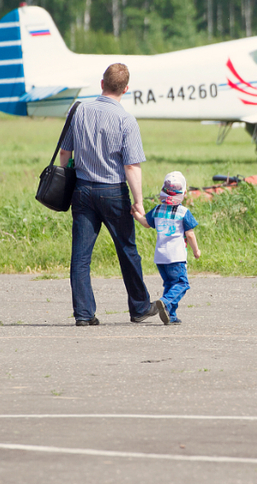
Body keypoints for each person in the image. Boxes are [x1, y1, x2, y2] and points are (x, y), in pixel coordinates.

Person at [59, 63, 167, 325]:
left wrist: (68, 183)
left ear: (101, 83)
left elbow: (65, 153)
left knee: (81, 256)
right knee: (127, 250)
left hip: (82, 189)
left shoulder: (80, 111)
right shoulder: (126, 120)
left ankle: (84, 314)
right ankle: (140, 307)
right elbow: (131, 165)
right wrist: (138, 201)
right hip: (113, 192)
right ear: (126, 89)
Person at [132, 171, 201, 324]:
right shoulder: (183, 212)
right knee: (182, 284)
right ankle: (164, 301)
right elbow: (189, 234)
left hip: (160, 257)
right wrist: (196, 251)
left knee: (170, 284)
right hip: (176, 257)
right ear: (183, 192)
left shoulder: (157, 210)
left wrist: (136, 214)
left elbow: (145, 223)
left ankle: (171, 315)